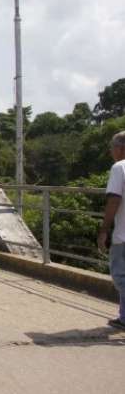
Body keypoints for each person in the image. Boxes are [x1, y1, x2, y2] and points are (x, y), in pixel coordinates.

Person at [97, 131, 125, 330]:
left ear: (120, 148)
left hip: (123, 235)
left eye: (112, 148)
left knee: (120, 277)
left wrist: (104, 230)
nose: (111, 152)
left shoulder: (119, 168)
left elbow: (114, 199)